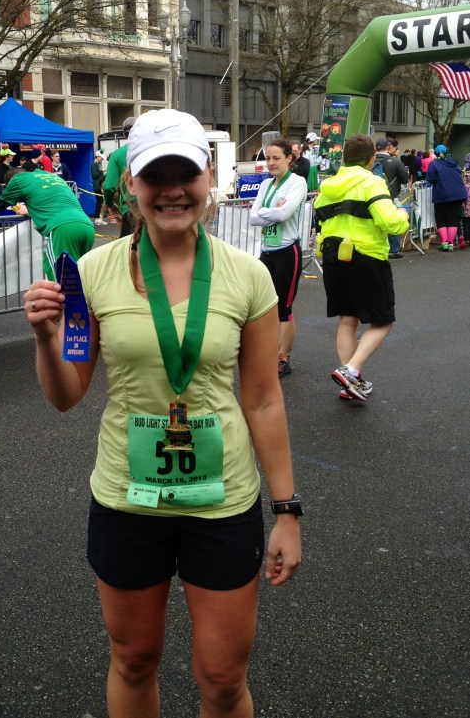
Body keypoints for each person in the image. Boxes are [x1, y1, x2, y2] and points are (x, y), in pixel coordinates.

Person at [22, 108, 301, 718]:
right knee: (133, 660)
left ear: (208, 178)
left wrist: (286, 511)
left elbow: (261, 398)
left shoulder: (248, 277)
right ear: (132, 186)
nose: (172, 190)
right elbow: (68, 394)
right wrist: (46, 339)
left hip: (222, 501)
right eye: (155, 175)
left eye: (186, 173)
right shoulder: (90, 274)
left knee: (224, 678)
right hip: (127, 499)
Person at [314, 133, 409, 401]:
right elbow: (390, 222)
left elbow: (318, 222)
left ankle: (350, 381)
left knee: (347, 319)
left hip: (333, 257)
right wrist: (403, 215)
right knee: (383, 319)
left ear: (344, 158)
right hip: (365, 256)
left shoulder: (328, 185)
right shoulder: (372, 182)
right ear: (370, 160)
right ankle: (352, 371)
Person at [0, 167, 95, 279]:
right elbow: (53, 203)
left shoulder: (18, 180)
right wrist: (31, 211)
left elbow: (0, 203)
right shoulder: (49, 175)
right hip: (86, 225)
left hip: (62, 228)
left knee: (61, 280)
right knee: (82, 276)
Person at [250, 138, 308, 377]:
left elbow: (285, 213)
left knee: (284, 308)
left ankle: (284, 358)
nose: (271, 163)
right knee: (264, 307)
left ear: (289, 158)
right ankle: (269, 352)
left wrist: (268, 212)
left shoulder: (297, 182)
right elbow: (252, 217)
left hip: (287, 252)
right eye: (268, 158)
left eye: (276, 158)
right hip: (266, 252)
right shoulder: (265, 185)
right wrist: (271, 212)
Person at [425, 144, 467, 251]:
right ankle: (451, 243)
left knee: (441, 218)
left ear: (436, 153)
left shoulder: (434, 164)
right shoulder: (454, 163)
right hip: (459, 194)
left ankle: (444, 242)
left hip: (442, 194)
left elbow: (431, 179)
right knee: (453, 218)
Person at [103, 116, 136, 237]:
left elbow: (109, 187)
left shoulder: (117, 155)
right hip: (154, 209)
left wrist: (110, 204)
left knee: (128, 251)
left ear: (124, 133)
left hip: (130, 209)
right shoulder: (151, 151)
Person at [378, 138, 409, 259]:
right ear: (388, 148)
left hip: (371, 196)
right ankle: (394, 249)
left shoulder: (369, 160)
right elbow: (405, 179)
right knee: (394, 220)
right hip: (391, 195)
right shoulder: (395, 161)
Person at [91, 151, 106, 221]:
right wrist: (102, 171)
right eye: (101, 157)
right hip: (97, 185)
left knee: (102, 200)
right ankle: (97, 214)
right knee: (99, 201)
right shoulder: (94, 164)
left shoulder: (99, 164)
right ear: (97, 156)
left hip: (101, 185)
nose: (102, 159)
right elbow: (94, 175)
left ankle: (101, 214)